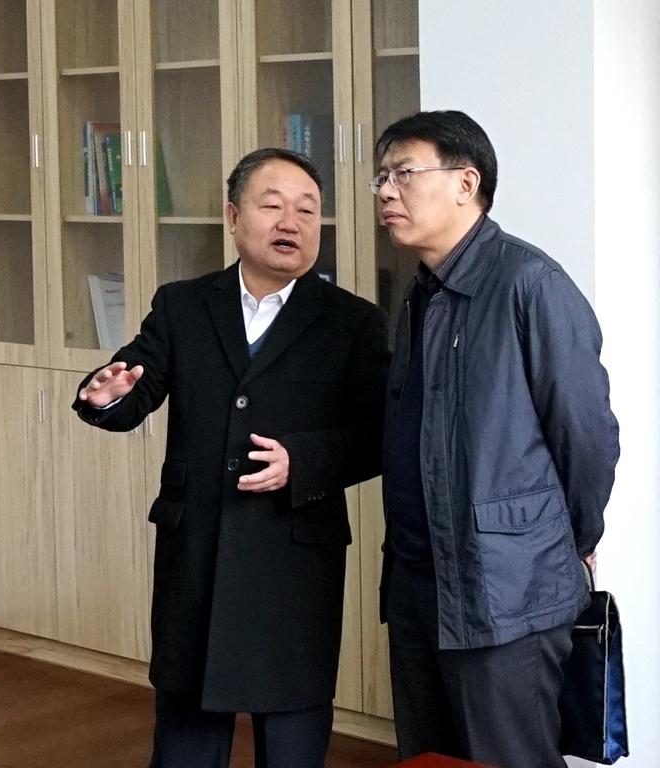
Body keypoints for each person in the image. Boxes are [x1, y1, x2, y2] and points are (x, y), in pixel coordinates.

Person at [73, 147, 389, 767]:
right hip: (198, 552)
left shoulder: (353, 322)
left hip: (293, 564)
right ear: (233, 216)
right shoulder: (183, 305)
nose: (291, 222)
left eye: (307, 210)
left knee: (292, 744)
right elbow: (135, 385)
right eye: (272, 206)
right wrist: (105, 395)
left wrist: (304, 461)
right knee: (185, 743)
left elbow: (381, 432)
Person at [374, 110, 620, 767]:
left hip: (505, 591)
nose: (386, 191)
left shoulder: (529, 283)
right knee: (431, 760)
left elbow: (587, 436)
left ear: (466, 182)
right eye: (382, 177)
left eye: (404, 173)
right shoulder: (420, 295)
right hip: (418, 586)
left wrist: (572, 540)